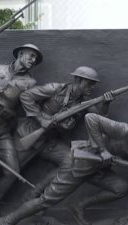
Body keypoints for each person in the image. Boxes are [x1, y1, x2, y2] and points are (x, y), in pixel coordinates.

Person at [0, 111, 128, 225]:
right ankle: (6, 221)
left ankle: (79, 205)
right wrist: (103, 150)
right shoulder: (125, 130)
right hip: (79, 166)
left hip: (98, 170)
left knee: (121, 187)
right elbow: (91, 118)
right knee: (46, 200)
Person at [14, 66, 114, 200]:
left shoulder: (85, 102)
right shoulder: (56, 88)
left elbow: (102, 122)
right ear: (78, 80)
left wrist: (106, 104)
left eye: (94, 84)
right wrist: (41, 119)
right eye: (89, 83)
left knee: (71, 161)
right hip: (29, 133)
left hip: (49, 142)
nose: (92, 87)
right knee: (9, 172)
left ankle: (35, 194)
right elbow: (26, 95)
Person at [0, 44, 43, 222]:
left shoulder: (30, 83)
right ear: (20, 54)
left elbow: (31, 106)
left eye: (35, 59)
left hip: (2, 129)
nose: (33, 60)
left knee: (12, 171)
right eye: (31, 56)